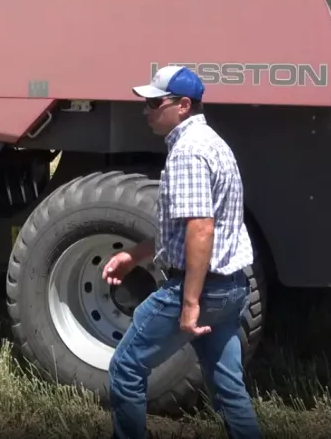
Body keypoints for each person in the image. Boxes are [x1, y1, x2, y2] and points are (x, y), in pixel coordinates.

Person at [103, 64, 262, 439]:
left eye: (154, 103)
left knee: (126, 369)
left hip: (199, 290)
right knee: (228, 387)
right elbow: (190, 232)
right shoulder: (214, 144)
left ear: (183, 105)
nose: (146, 110)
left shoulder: (188, 153)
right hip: (232, 288)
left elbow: (201, 228)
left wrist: (189, 302)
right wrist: (135, 255)